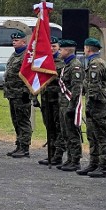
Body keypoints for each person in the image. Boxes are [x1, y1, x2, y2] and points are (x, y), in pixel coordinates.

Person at [78, 37, 106, 178]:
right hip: (94, 103)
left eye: (85, 48)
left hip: (97, 104)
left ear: (88, 48)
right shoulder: (96, 62)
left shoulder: (96, 64)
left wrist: (91, 103)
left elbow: (94, 87)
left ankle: (103, 166)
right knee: (92, 135)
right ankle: (94, 162)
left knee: (100, 135)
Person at [56, 39, 84, 172]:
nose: (59, 51)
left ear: (67, 50)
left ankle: (75, 160)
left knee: (72, 133)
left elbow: (76, 88)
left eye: (61, 49)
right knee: (65, 133)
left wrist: (72, 107)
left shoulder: (75, 65)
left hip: (69, 104)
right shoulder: (66, 64)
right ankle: (69, 158)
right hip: (63, 104)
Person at [4, 30, 32, 158]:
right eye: (13, 40)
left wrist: (28, 92)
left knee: (23, 121)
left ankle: (25, 147)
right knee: (16, 121)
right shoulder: (14, 55)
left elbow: (30, 75)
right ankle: (19, 144)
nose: (14, 42)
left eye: (16, 40)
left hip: (22, 94)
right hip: (12, 93)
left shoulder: (27, 56)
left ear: (24, 41)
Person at [38, 37, 64, 166]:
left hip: (57, 100)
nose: (52, 48)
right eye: (50, 46)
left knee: (58, 128)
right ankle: (51, 153)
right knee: (49, 127)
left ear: (59, 47)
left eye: (54, 46)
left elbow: (64, 83)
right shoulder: (43, 61)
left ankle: (58, 155)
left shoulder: (63, 62)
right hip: (45, 100)